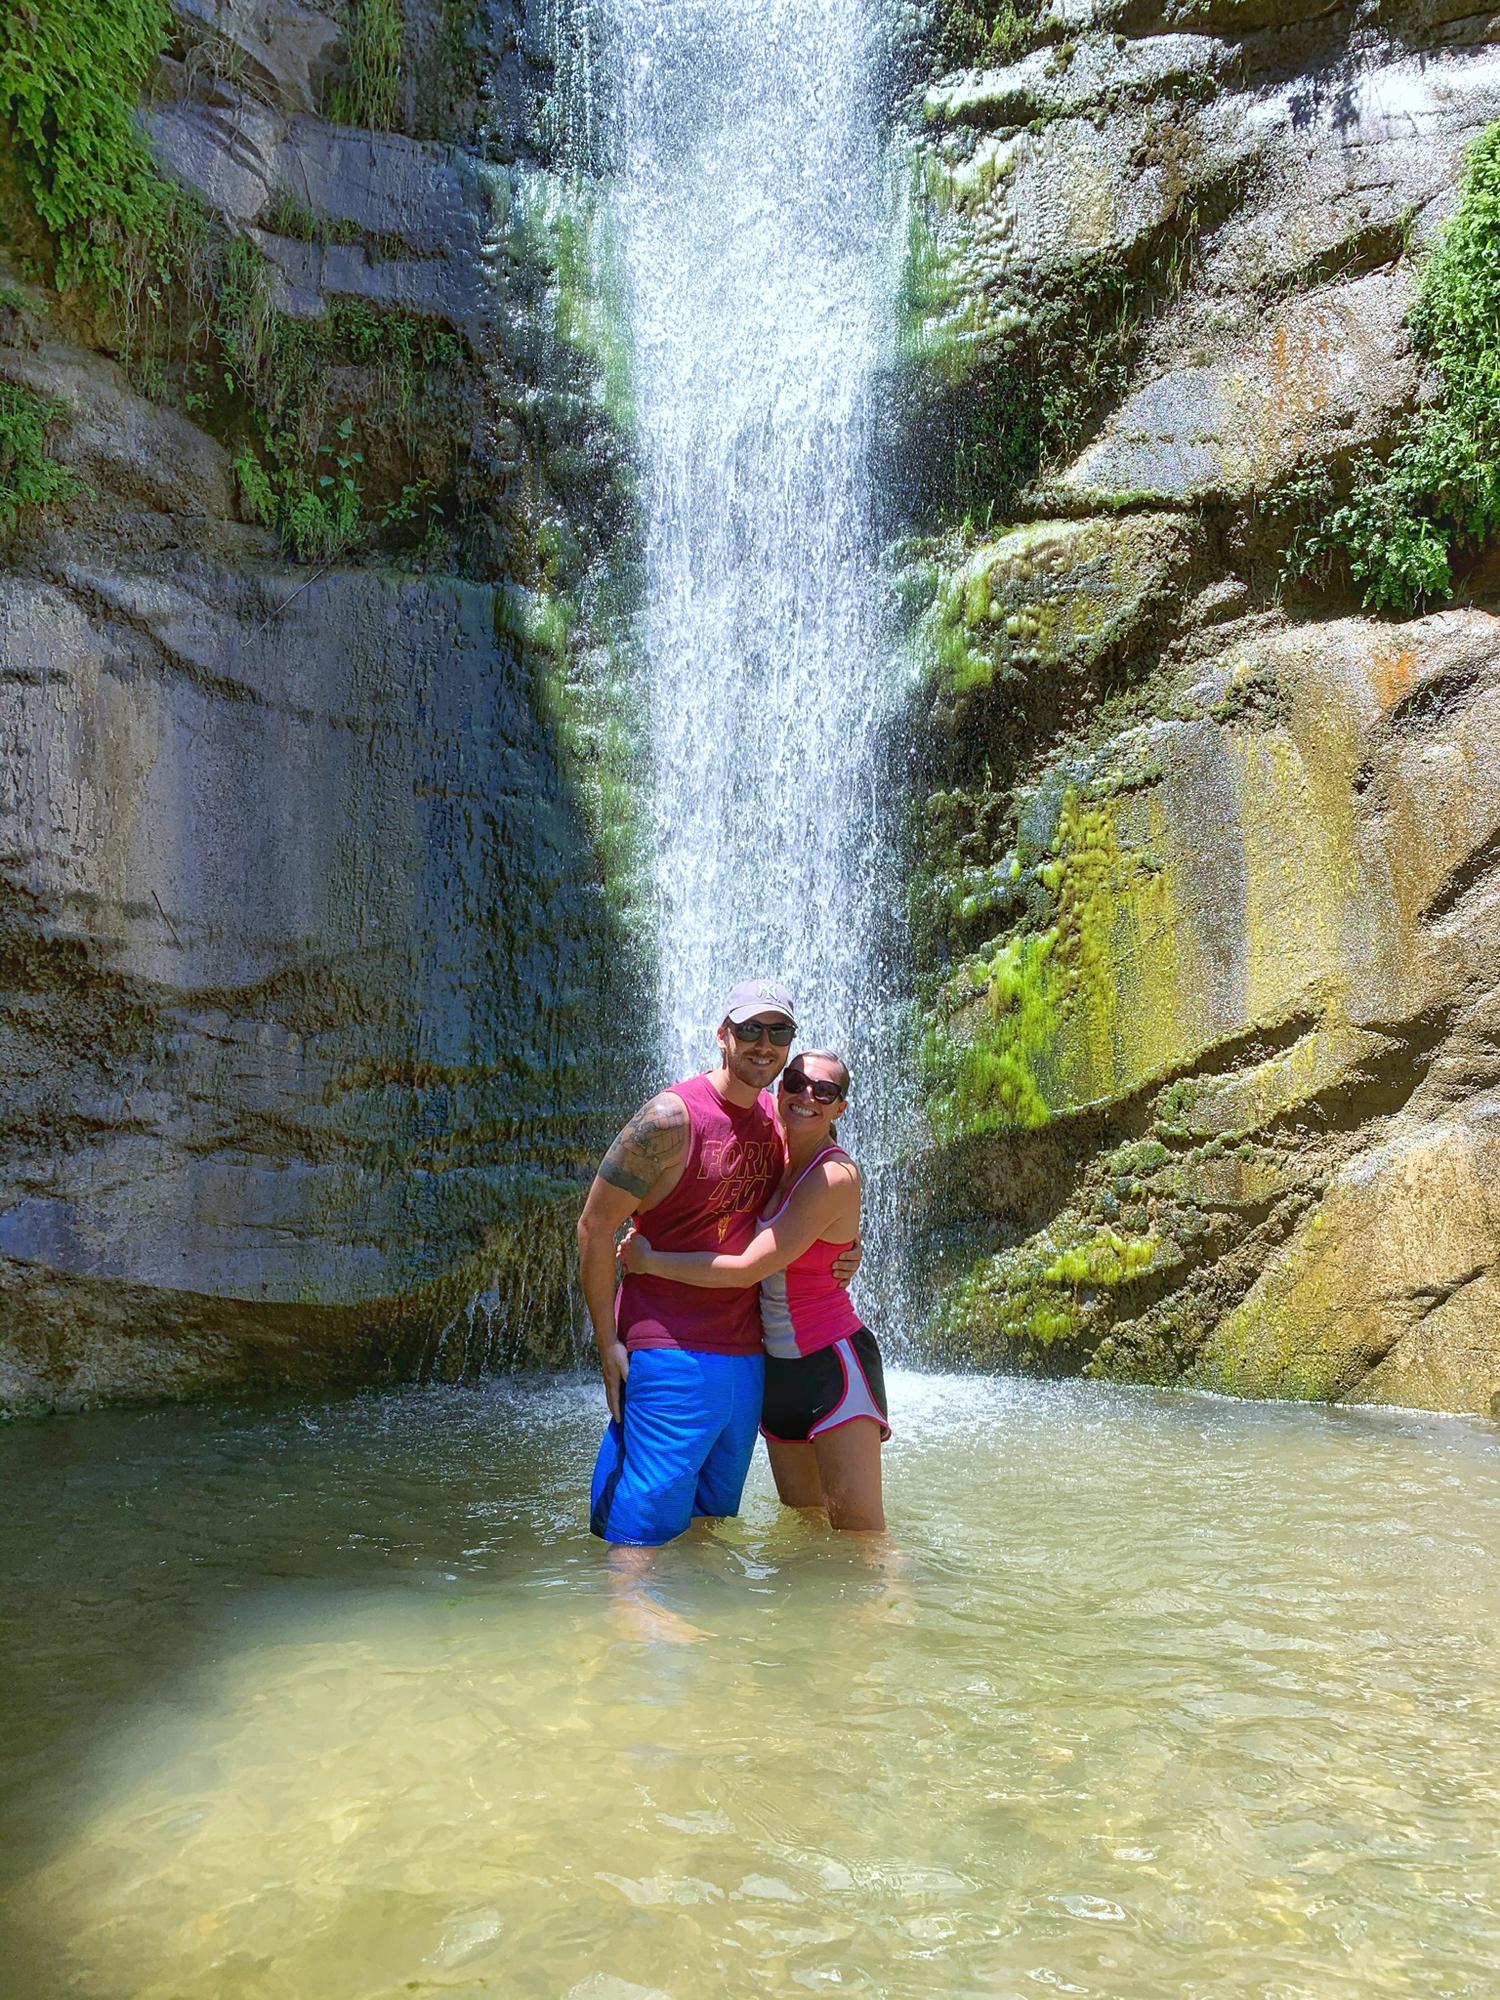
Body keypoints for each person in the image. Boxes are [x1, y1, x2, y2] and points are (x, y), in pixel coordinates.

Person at [578, 981, 860, 1547]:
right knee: (640, 1535)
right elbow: (594, 1225)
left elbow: (819, 1195)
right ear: (722, 1035)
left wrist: (846, 1251)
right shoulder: (668, 1118)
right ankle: (623, 1633)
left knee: (708, 1529)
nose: (764, 1044)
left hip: (749, 1359)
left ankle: (703, 1634)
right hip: (669, 1351)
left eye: (778, 1032)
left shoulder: (778, 1119)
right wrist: (607, 1343)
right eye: (750, 1029)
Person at [619, 1048, 889, 1533]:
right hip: (778, 1373)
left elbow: (746, 1268)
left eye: (824, 1091)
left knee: (860, 1536)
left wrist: (650, 1262)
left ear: (839, 1108)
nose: (807, 1096)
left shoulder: (833, 1174)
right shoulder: (780, 1154)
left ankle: (889, 1611)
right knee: (802, 1527)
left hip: (832, 1364)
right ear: (779, 1089)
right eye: (796, 1083)